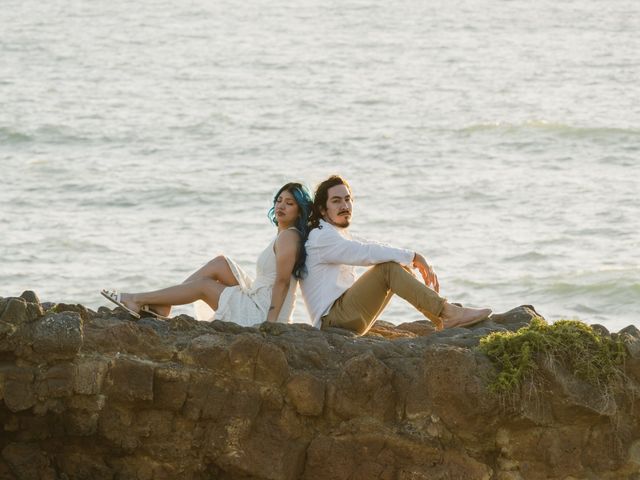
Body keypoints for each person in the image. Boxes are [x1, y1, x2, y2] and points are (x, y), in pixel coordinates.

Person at [300, 175, 492, 335]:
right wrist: (414, 256)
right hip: (332, 321)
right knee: (388, 268)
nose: (345, 205)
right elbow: (364, 253)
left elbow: (371, 245)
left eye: (348, 199)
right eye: (336, 201)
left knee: (395, 263)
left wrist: (408, 258)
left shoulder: (335, 233)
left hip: (343, 316)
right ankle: (448, 312)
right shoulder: (321, 236)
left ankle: (445, 316)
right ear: (322, 209)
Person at [101, 182, 313, 326]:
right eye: (279, 200)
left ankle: (137, 299)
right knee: (221, 263)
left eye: (290, 203)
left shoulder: (288, 237)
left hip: (263, 311)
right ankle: (164, 304)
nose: (281, 206)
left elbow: (283, 282)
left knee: (203, 286)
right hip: (260, 297)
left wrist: (270, 323)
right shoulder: (285, 235)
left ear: (299, 210)